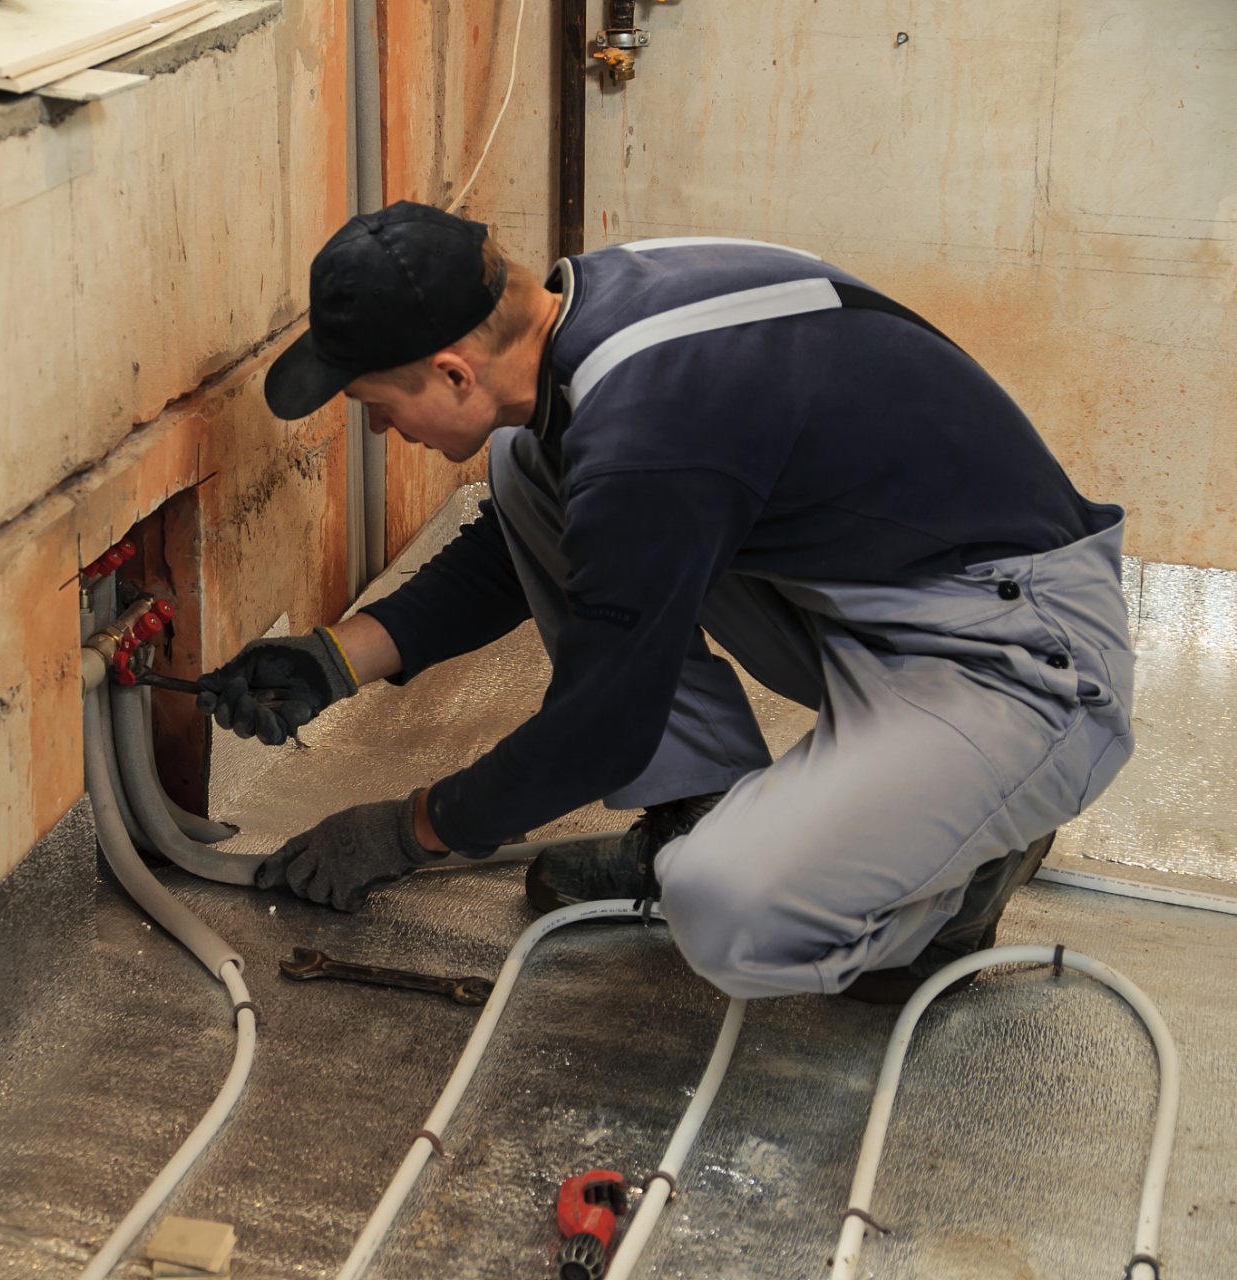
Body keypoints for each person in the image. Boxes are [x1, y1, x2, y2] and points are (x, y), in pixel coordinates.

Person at [196, 202, 1134, 1003]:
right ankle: (695, 810)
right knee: (528, 467)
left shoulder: (649, 433)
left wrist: (409, 831)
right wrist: (334, 657)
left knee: (725, 914)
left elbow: (601, 725)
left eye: (373, 403)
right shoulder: (592, 317)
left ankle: (952, 878)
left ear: (452, 372)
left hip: (1020, 660)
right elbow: (552, 548)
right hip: (888, 595)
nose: (378, 429)